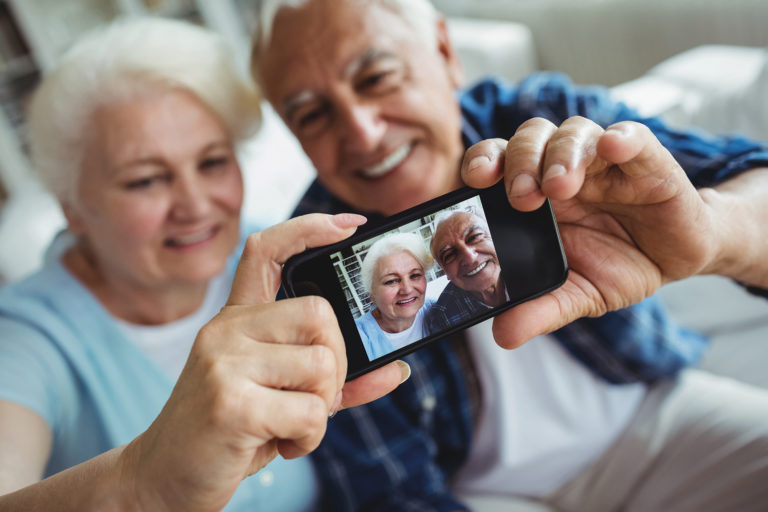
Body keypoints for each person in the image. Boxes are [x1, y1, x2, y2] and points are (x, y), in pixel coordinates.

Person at [250, 0, 768, 510]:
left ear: (446, 52)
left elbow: (748, 173)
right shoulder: (311, 259)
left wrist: (713, 235)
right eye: (313, 114)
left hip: (651, 412)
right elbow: (390, 491)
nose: (363, 132)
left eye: (376, 77)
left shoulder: (547, 117)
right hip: (482, 492)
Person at [0, 17, 406, 511]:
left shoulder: (273, 256)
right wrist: (142, 482)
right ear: (72, 207)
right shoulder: (24, 338)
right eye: (145, 180)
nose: (195, 205)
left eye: (213, 162)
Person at [425, 208, 506, 335]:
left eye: (474, 237)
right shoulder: (443, 316)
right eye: (450, 255)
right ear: (445, 272)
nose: (470, 258)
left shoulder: (531, 267)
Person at [356, 232, 435, 360]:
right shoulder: (358, 337)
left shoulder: (440, 310)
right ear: (372, 294)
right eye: (391, 281)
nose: (407, 289)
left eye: (415, 275)